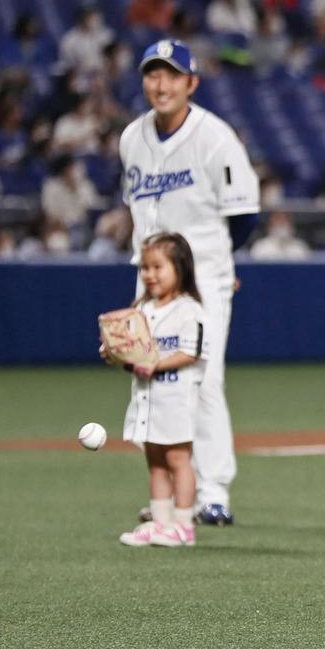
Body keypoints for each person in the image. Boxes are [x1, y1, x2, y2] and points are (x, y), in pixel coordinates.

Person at [118, 40, 259, 525]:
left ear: (191, 83)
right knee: (154, 380)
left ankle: (213, 491)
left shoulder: (215, 137)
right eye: (153, 74)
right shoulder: (131, 138)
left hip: (203, 285)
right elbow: (135, 208)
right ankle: (174, 494)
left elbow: (243, 215)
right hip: (151, 282)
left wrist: (213, 267)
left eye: (171, 75)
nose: (160, 84)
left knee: (204, 380)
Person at [105, 232, 206, 549]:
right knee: (155, 460)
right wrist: (115, 353)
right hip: (148, 399)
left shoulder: (188, 310)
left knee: (179, 459)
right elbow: (135, 351)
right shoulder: (143, 309)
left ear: (180, 268)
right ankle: (161, 523)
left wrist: (156, 365)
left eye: (158, 267)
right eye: (145, 268)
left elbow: (191, 352)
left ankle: (184, 525)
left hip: (175, 399)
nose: (149, 275)